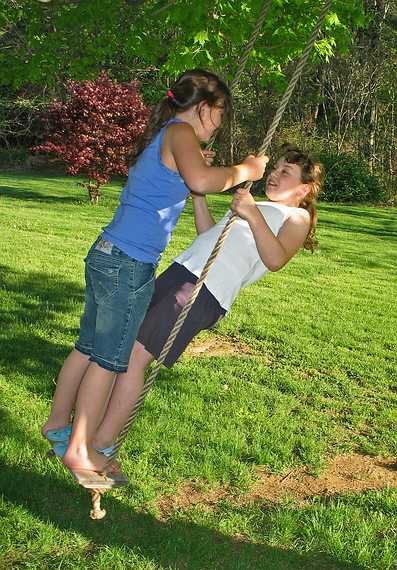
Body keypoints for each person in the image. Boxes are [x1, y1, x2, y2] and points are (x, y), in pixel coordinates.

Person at [41, 68, 267, 478]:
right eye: (220, 115)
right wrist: (245, 170)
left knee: (89, 347)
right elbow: (202, 179)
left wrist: (201, 170)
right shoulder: (180, 133)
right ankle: (80, 449)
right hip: (127, 263)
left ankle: (58, 425)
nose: (220, 124)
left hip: (110, 253)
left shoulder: (170, 133)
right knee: (109, 360)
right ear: (204, 108)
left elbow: (189, 179)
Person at [88, 144, 323, 457]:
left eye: (286, 172)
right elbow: (209, 237)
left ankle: (102, 445)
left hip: (206, 290)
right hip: (182, 272)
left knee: (134, 358)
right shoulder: (254, 205)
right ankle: (90, 434)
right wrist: (199, 196)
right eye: (275, 167)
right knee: (121, 350)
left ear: (304, 188)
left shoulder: (296, 216)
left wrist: (252, 212)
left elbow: (276, 259)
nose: (274, 174)